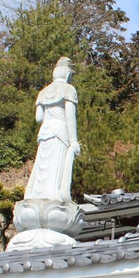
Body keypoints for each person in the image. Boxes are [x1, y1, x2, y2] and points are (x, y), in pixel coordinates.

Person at [25, 57, 81, 201]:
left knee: (42, 167)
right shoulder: (68, 89)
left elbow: (39, 118)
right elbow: (70, 116)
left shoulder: (43, 92)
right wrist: (74, 141)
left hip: (45, 130)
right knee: (57, 166)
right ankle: (54, 195)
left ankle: (37, 196)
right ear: (68, 74)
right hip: (60, 129)